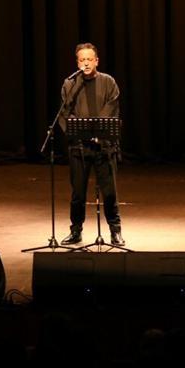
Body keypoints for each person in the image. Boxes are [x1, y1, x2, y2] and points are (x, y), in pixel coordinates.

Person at [59, 43, 124, 246]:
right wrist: (77, 134)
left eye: (89, 59)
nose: (85, 63)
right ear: (77, 62)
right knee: (78, 192)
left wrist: (98, 132)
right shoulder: (70, 84)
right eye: (82, 60)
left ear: (96, 61)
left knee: (109, 191)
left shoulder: (108, 82)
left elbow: (112, 106)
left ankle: (115, 231)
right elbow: (65, 113)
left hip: (104, 146)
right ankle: (76, 230)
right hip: (79, 147)